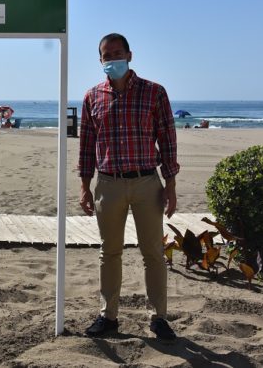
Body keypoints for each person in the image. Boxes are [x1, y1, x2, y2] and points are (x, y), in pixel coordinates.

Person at [78, 33, 179, 342]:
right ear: (100, 60)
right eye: (106, 56)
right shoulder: (92, 97)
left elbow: (168, 140)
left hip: (147, 182)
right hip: (108, 184)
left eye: (117, 53)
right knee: (109, 253)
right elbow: (86, 146)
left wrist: (170, 185)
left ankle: (158, 318)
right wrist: (84, 186)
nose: (112, 60)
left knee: (153, 253)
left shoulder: (154, 93)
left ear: (130, 55)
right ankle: (108, 317)